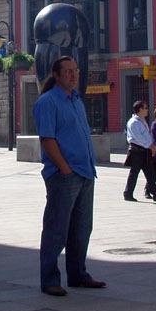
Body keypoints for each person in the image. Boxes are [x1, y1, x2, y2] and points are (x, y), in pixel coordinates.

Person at [33, 56, 105, 297]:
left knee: (82, 228)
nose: (74, 75)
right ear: (56, 74)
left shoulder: (76, 100)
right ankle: (50, 279)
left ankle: (77, 274)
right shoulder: (48, 102)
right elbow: (47, 139)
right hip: (64, 175)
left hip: (85, 172)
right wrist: (64, 167)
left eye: (76, 71)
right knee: (56, 228)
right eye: (68, 71)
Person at [123, 101, 156, 202]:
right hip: (137, 151)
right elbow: (139, 138)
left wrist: (151, 146)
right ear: (140, 109)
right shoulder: (133, 122)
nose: (147, 110)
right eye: (145, 108)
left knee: (150, 173)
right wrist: (150, 146)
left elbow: (146, 136)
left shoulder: (142, 121)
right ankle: (128, 194)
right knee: (134, 173)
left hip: (144, 150)